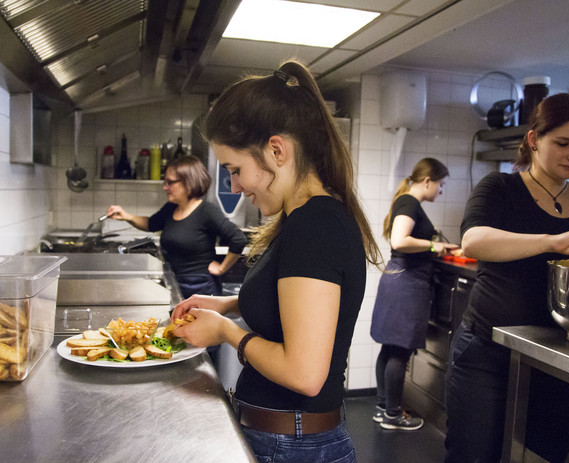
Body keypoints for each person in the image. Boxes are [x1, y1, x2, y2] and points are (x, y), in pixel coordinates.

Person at [170, 61, 381, 463]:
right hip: (286, 441)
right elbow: (292, 305)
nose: (233, 186)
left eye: (236, 170)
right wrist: (227, 305)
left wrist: (226, 332)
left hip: (294, 446)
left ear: (277, 150)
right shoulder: (303, 219)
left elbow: (304, 374)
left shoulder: (315, 225)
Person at [445, 93, 569, 463]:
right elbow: (473, 241)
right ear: (534, 140)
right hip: (487, 354)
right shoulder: (500, 189)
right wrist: (552, 241)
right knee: (473, 455)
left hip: (557, 358)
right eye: (563, 143)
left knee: (541, 456)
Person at [370, 157, 458, 431]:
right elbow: (400, 240)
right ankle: (393, 416)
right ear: (428, 180)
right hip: (406, 282)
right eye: (441, 184)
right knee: (400, 350)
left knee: (390, 347)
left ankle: (384, 409)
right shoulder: (409, 202)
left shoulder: (405, 201)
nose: (441, 191)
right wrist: (434, 246)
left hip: (399, 280)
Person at [106, 154, 247, 299]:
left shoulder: (207, 211)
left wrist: (222, 268)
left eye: (170, 182)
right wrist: (126, 216)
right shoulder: (171, 208)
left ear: (188, 183)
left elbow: (238, 238)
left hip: (201, 289)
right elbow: (151, 224)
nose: (165, 187)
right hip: (174, 283)